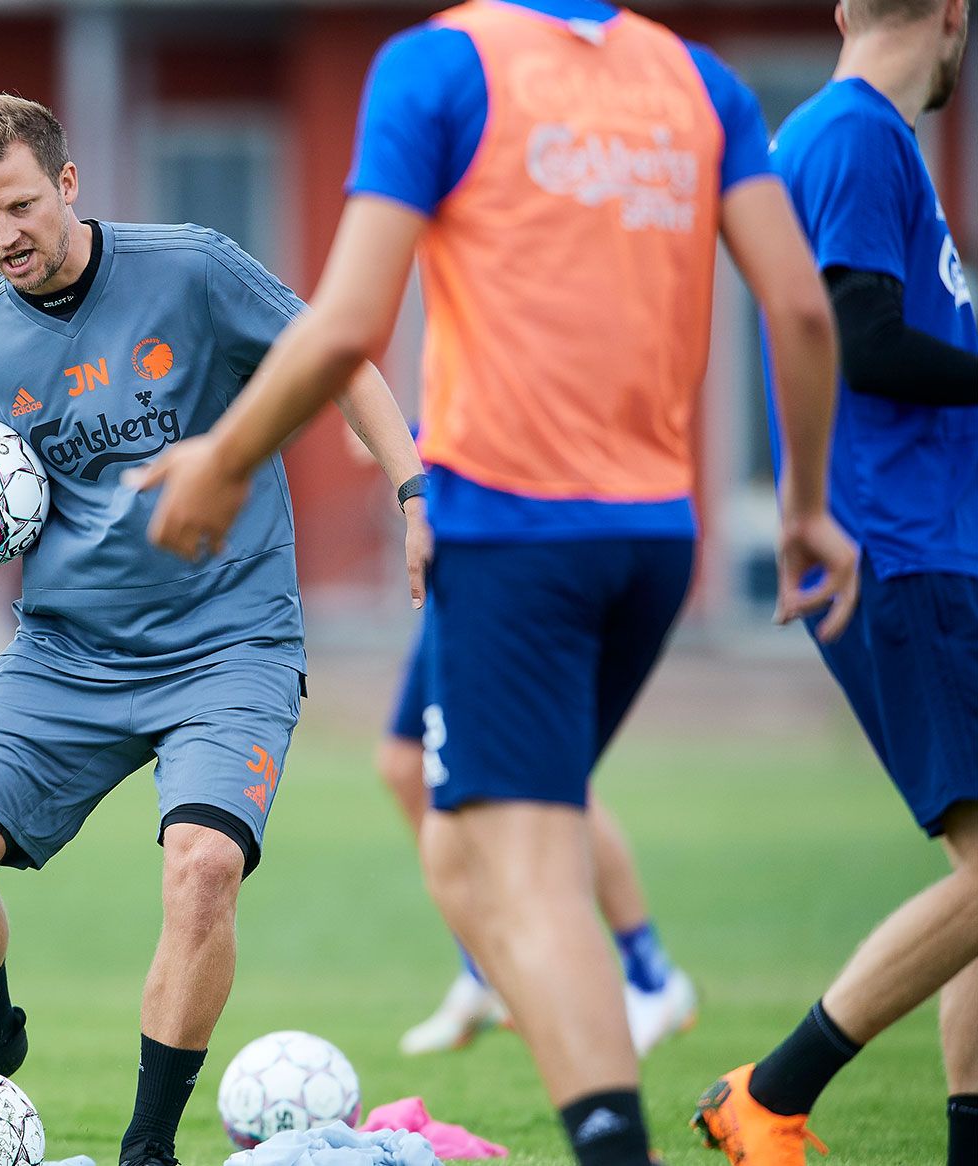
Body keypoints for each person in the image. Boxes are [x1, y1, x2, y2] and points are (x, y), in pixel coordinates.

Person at [127, 1, 859, 1162]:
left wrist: (222, 459)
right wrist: (808, 504)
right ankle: (606, 1017)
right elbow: (804, 309)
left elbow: (346, 323)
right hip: (656, 540)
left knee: (526, 874)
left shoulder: (436, 67)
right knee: (463, 838)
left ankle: (615, 1136)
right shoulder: (699, 80)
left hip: (515, 531)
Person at [0, 94, 429, 1166]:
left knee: (202, 863)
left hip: (229, 641)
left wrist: (413, 490)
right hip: (67, 650)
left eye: (20, 203)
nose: (4, 233)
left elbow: (338, 354)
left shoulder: (192, 268)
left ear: (66, 184)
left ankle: (146, 1148)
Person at [691, 1, 976, 1162]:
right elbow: (862, 335)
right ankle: (771, 1087)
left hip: (919, 547)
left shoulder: (841, 136)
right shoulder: (855, 135)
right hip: (904, 554)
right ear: (953, 15)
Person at [378, 635, 694, 1059]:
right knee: (405, 762)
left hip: (507, 585)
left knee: (543, 766)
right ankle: (484, 974)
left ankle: (651, 978)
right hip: (450, 589)